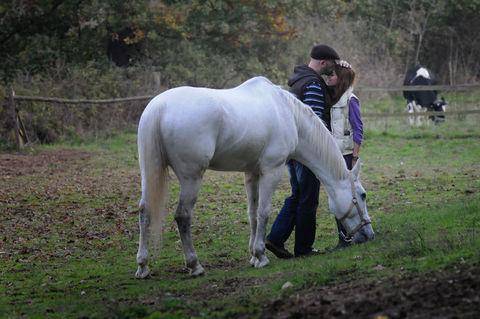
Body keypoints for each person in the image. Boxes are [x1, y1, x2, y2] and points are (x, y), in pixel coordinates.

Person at [265, 44, 340, 258]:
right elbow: (313, 125)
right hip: (306, 152)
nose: (332, 69)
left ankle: (276, 238)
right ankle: (304, 249)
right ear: (324, 62)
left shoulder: (299, 81)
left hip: (292, 148)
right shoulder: (313, 85)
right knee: (308, 198)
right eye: (331, 64)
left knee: (297, 194)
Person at [325, 63, 364, 249]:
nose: (328, 77)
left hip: (347, 155)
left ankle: (353, 234)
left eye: (332, 74)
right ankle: (344, 237)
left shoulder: (351, 100)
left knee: (349, 195)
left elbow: (358, 129)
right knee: (337, 196)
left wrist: (355, 157)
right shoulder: (333, 98)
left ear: (341, 77)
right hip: (335, 155)